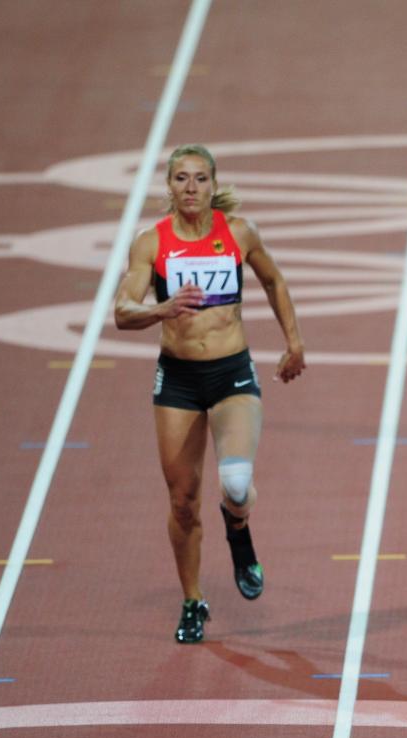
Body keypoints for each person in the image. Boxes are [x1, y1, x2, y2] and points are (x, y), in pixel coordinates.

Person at [113, 144, 305, 643]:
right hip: (177, 379)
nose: (191, 188)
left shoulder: (238, 233)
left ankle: (238, 531)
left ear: (213, 184)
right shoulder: (150, 244)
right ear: (169, 187)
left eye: (200, 178)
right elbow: (123, 311)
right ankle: (193, 600)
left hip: (231, 373)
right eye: (181, 178)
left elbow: (274, 281)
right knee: (182, 500)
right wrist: (163, 308)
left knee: (236, 484)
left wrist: (293, 342)